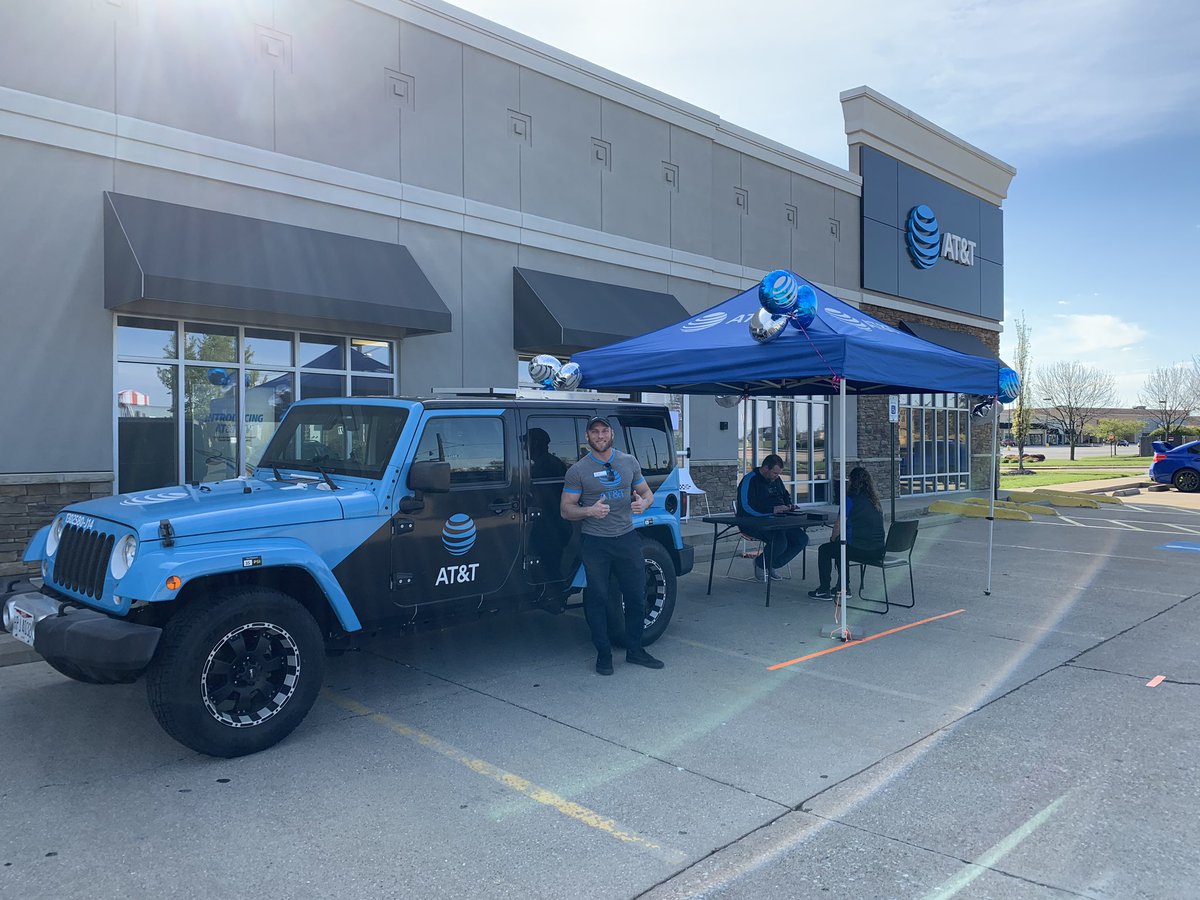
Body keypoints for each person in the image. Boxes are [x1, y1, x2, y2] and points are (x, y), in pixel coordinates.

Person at [561, 416, 664, 676]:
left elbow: (647, 493)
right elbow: (566, 510)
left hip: (627, 538)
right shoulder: (578, 470)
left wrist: (645, 504)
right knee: (598, 598)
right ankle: (603, 654)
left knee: (635, 595)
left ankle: (635, 650)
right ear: (587, 437)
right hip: (596, 543)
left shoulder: (628, 462)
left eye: (604, 431)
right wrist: (589, 511)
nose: (600, 436)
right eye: (594, 432)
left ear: (611, 434)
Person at [808, 466, 886, 600]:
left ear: (852, 481)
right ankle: (843, 587)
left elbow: (838, 525)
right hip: (878, 550)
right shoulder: (875, 502)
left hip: (859, 548)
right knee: (841, 545)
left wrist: (833, 539)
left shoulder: (850, 500)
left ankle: (824, 589)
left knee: (826, 549)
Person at [736, 453, 808, 583]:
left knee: (802, 539)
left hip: (780, 520)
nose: (777, 476)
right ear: (765, 469)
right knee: (780, 542)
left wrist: (788, 505)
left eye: (778, 474)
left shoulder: (776, 479)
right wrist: (771, 510)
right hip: (754, 522)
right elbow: (746, 507)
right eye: (775, 473)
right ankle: (761, 563)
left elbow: (784, 495)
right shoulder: (749, 480)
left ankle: (771, 564)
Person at [525, 428, 570, 588]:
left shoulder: (544, 466)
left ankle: (554, 598)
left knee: (549, 565)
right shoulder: (549, 462)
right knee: (548, 562)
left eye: (526, 442)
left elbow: (540, 497)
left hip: (551, 525)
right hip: (553, 523)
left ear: (535, 444)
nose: (524, 446)